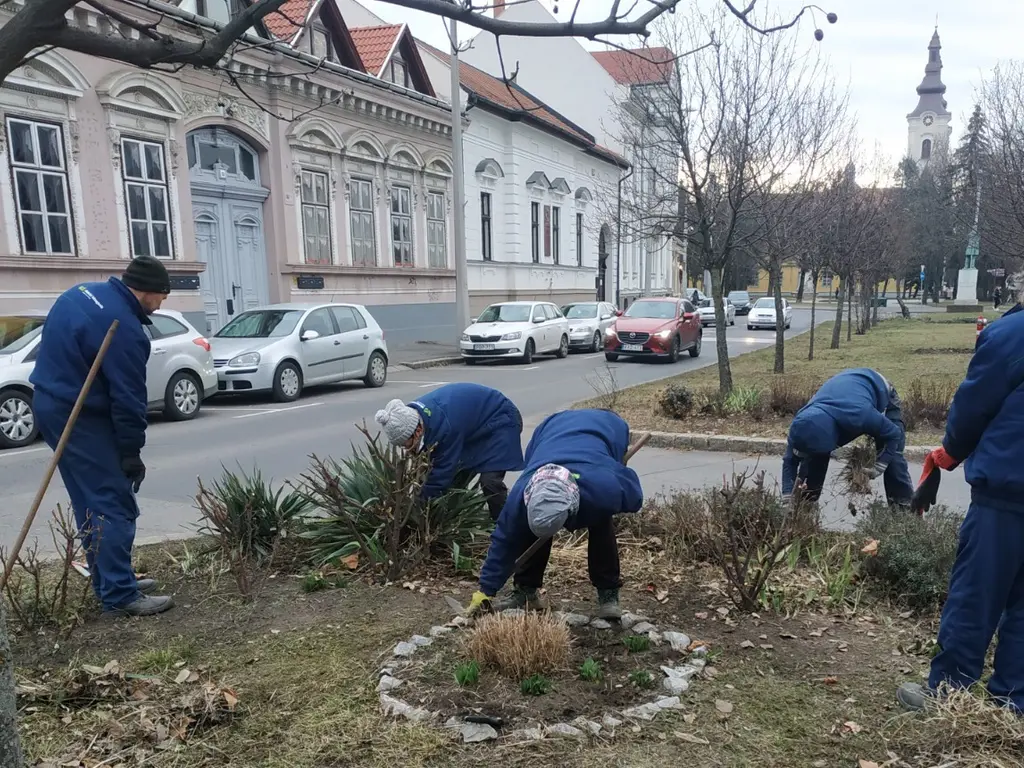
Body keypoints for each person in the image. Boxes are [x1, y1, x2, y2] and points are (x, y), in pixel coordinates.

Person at [899, 292, 1024, 712]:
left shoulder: (1011, 334)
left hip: (1007, 495)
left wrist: (947, 454)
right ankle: (1012, 704)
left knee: (976, 597)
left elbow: (972, 409)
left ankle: (948, 693)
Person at [30, 256, 174, 617]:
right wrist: (130, 454)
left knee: (88, 498)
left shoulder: (80, 292)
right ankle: (120, 595)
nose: (161, 305)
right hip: (80, 417)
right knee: (112, 500)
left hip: (48, 403)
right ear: (148, 292)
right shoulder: (123, 329)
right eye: (162, 297)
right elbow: (128, 401)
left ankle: (111, 579)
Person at [466, 409, 644, 620]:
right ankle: (526, 592)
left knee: (601, 521)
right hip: (550, 428)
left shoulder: (604, 488)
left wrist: (613, 468)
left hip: (607, 427)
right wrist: (485, 590)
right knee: (529, 528)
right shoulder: (521, 496)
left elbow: (635, 497)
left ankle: (608, 594)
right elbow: (503, 541)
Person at [374, 383, 524, 520]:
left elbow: (441, 474)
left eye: (407, 445)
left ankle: (504, 525)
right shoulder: (410, 415)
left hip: (500, 418)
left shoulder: (444, 427)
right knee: (460, 473)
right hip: (474, 427)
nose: (406, 449)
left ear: (418, 431)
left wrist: (417, 507)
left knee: (490, 481)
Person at [782, 368, 913, 507]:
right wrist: (787, 497)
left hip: (877, 390)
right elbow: (790, 460)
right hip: (842, 397)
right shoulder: (802, 425)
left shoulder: (860, 415)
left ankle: (904, 512)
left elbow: (894, 435)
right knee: (814, 456)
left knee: (893, 459)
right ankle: (805, 508)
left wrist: (880, 465)